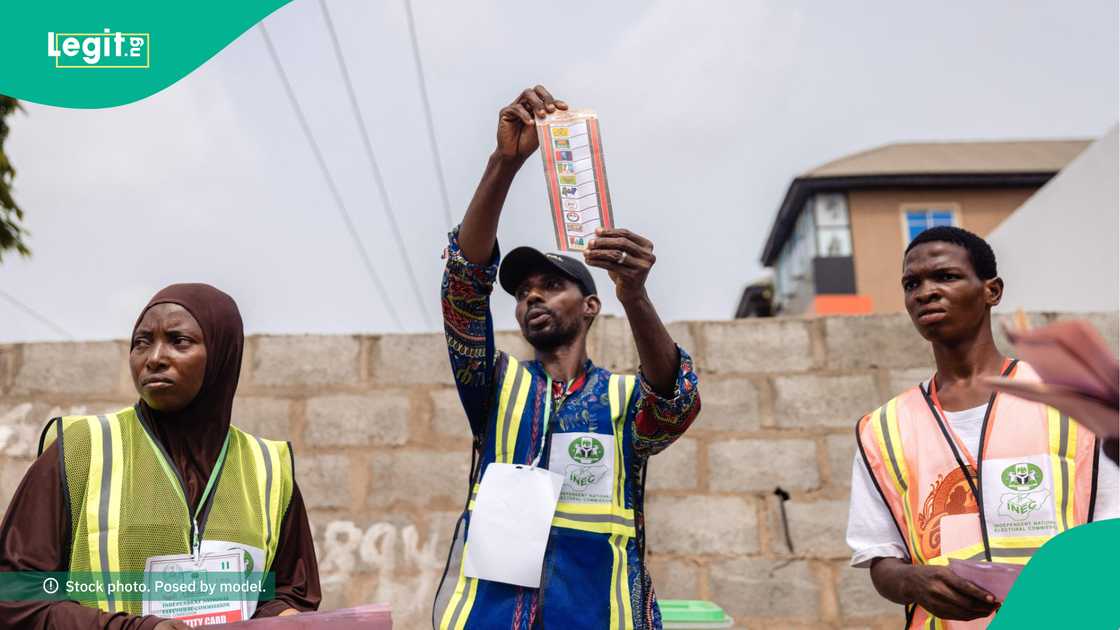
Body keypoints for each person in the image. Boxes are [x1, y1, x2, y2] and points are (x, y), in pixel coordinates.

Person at [433, 86, 701, 629]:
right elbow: (463, 286)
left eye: (551, 285)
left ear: (591, 305)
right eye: (523, 291)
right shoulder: (494, 385)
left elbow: (676, 402)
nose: (532, 296)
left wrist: (635, 294)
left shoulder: (625, 399)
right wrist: (504, 164)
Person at [0, 283, 321, 628]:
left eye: (178, 341)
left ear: (222, 354)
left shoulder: (269, 468)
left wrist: (282, 617)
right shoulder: (81, 449)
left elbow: (288, 592)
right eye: (142, 342)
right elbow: (15, 592)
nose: (154, 358)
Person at [845, 227, 1118, 629]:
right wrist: (912, 581)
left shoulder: (1068, 402)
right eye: (911, 283)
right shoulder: (881, 429)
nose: (925, 292)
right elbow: (879, 556)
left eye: (946, 277)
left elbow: (1110, 535)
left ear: (992, 291)